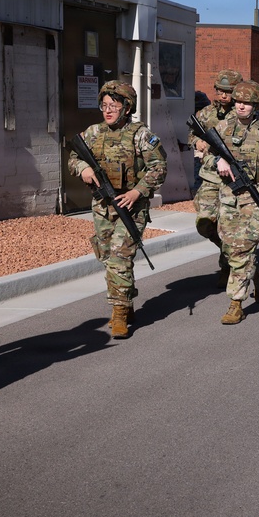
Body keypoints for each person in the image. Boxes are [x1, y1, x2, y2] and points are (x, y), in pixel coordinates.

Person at [69, 81, 167, 339]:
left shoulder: (141, 135)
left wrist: (138, 191)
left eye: (113, 106)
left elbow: (159, 167)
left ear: (127, 108)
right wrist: (83, 168)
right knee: (106, 256)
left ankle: (120, 312)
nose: (108, 110)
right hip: (102, 206)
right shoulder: (93, 132)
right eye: (104, 105)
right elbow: (73, 157)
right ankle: (126, 299)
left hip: (131, 206)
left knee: (119, 258)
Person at [214, 80, 259, 324]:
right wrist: (218, 161)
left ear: (256, 105)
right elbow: (207, 155)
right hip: (229, 198)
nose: (241, 106)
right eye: (238, 101)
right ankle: (258, 275)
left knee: (242, 249)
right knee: (230, 249)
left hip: (256, 198)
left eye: (247, 102)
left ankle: (236, 304)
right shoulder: (222, 127)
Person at [189, 69, 242, 286]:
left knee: (229, 226)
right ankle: (229, 253)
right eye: (220, 90)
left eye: (228, 91)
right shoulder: (206, 113)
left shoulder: (242, 113)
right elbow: (192, 133)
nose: (223, 95)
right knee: (204, 223)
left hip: (233, 178)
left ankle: (228, 266)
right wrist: (197, 142)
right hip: (210, 176)